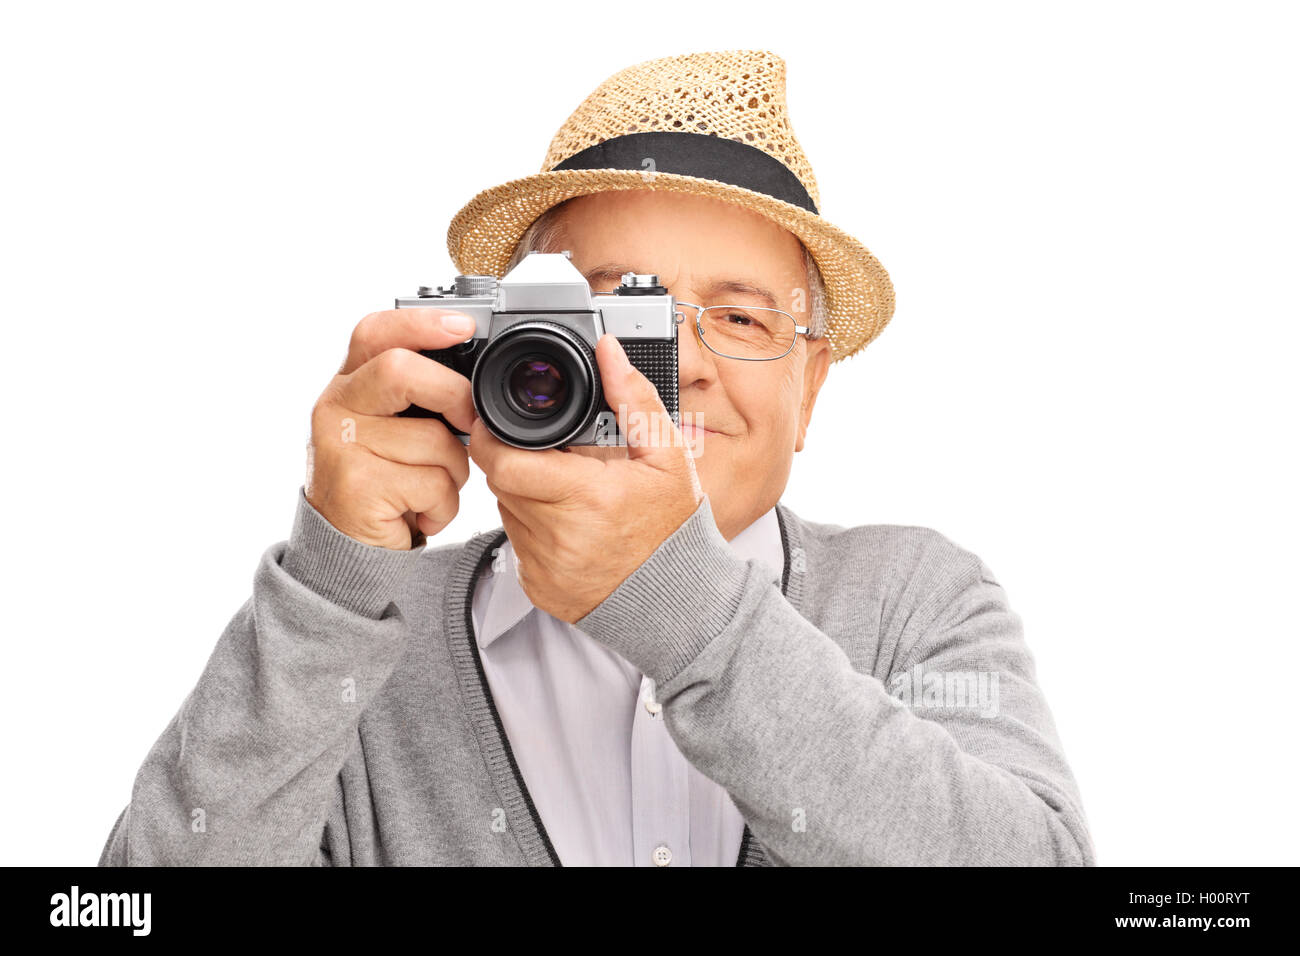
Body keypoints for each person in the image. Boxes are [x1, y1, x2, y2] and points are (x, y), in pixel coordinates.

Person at [98, 49, 1094, 866]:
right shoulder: (366, 637)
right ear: (504, 345)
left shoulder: (916, 598)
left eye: (741, 316)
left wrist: (682, 604)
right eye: (625, 310)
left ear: (811, 388)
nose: (684, 364)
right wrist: (332, 589)